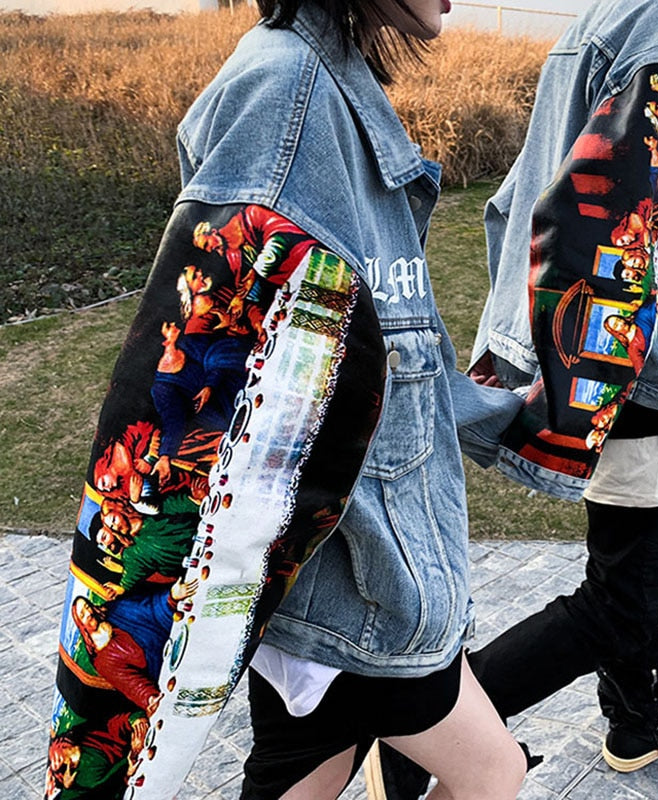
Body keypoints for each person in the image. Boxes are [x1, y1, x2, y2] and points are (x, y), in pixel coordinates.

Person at [48, 0, 539, 797]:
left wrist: (506, 412)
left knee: (309, 776)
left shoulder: (321, 91)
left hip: (333, 581)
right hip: (357, 586)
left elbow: (381, 363)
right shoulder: (288, 104)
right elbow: (194, 391)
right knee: (494, 773)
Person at [367, 0, 658, 795]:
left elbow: (515, 203)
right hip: (633, 375)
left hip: (612, 365)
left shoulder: (609, 18)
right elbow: (626, 220)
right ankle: (425, 734)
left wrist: (526, 341)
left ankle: (638, 718)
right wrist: (588, 389)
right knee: (623, 594)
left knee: (642, 562)